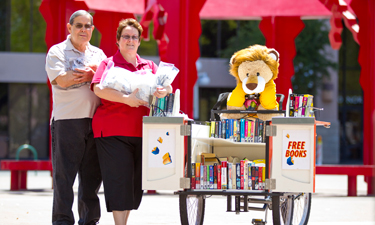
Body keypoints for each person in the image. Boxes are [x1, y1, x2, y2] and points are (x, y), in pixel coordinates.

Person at [91, 18, 172, 225]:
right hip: (112, 131)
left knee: (134, 185)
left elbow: (167, 87)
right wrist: (126, 99)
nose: (130, 40)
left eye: (134, 37)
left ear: (139, 41)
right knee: (119, 182)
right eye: (126, 36)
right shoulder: (108, 63)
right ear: (118, 40)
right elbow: (98, 88)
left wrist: (165, 90)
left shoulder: (150, 65)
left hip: (143, 132)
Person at [45, 10, 106, 225]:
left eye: (87, 26)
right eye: (79, 25)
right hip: (67, 121)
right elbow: (62, 80)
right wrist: (92, 74)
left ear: (92, 29)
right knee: (64, 177)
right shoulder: (57, 51)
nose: (83, 29)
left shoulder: (99, 54)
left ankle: (90, 221)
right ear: (69, 28)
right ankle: (62, 220)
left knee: (91, 178)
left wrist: (93, 74)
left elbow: (108, 79)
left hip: (95, 121)